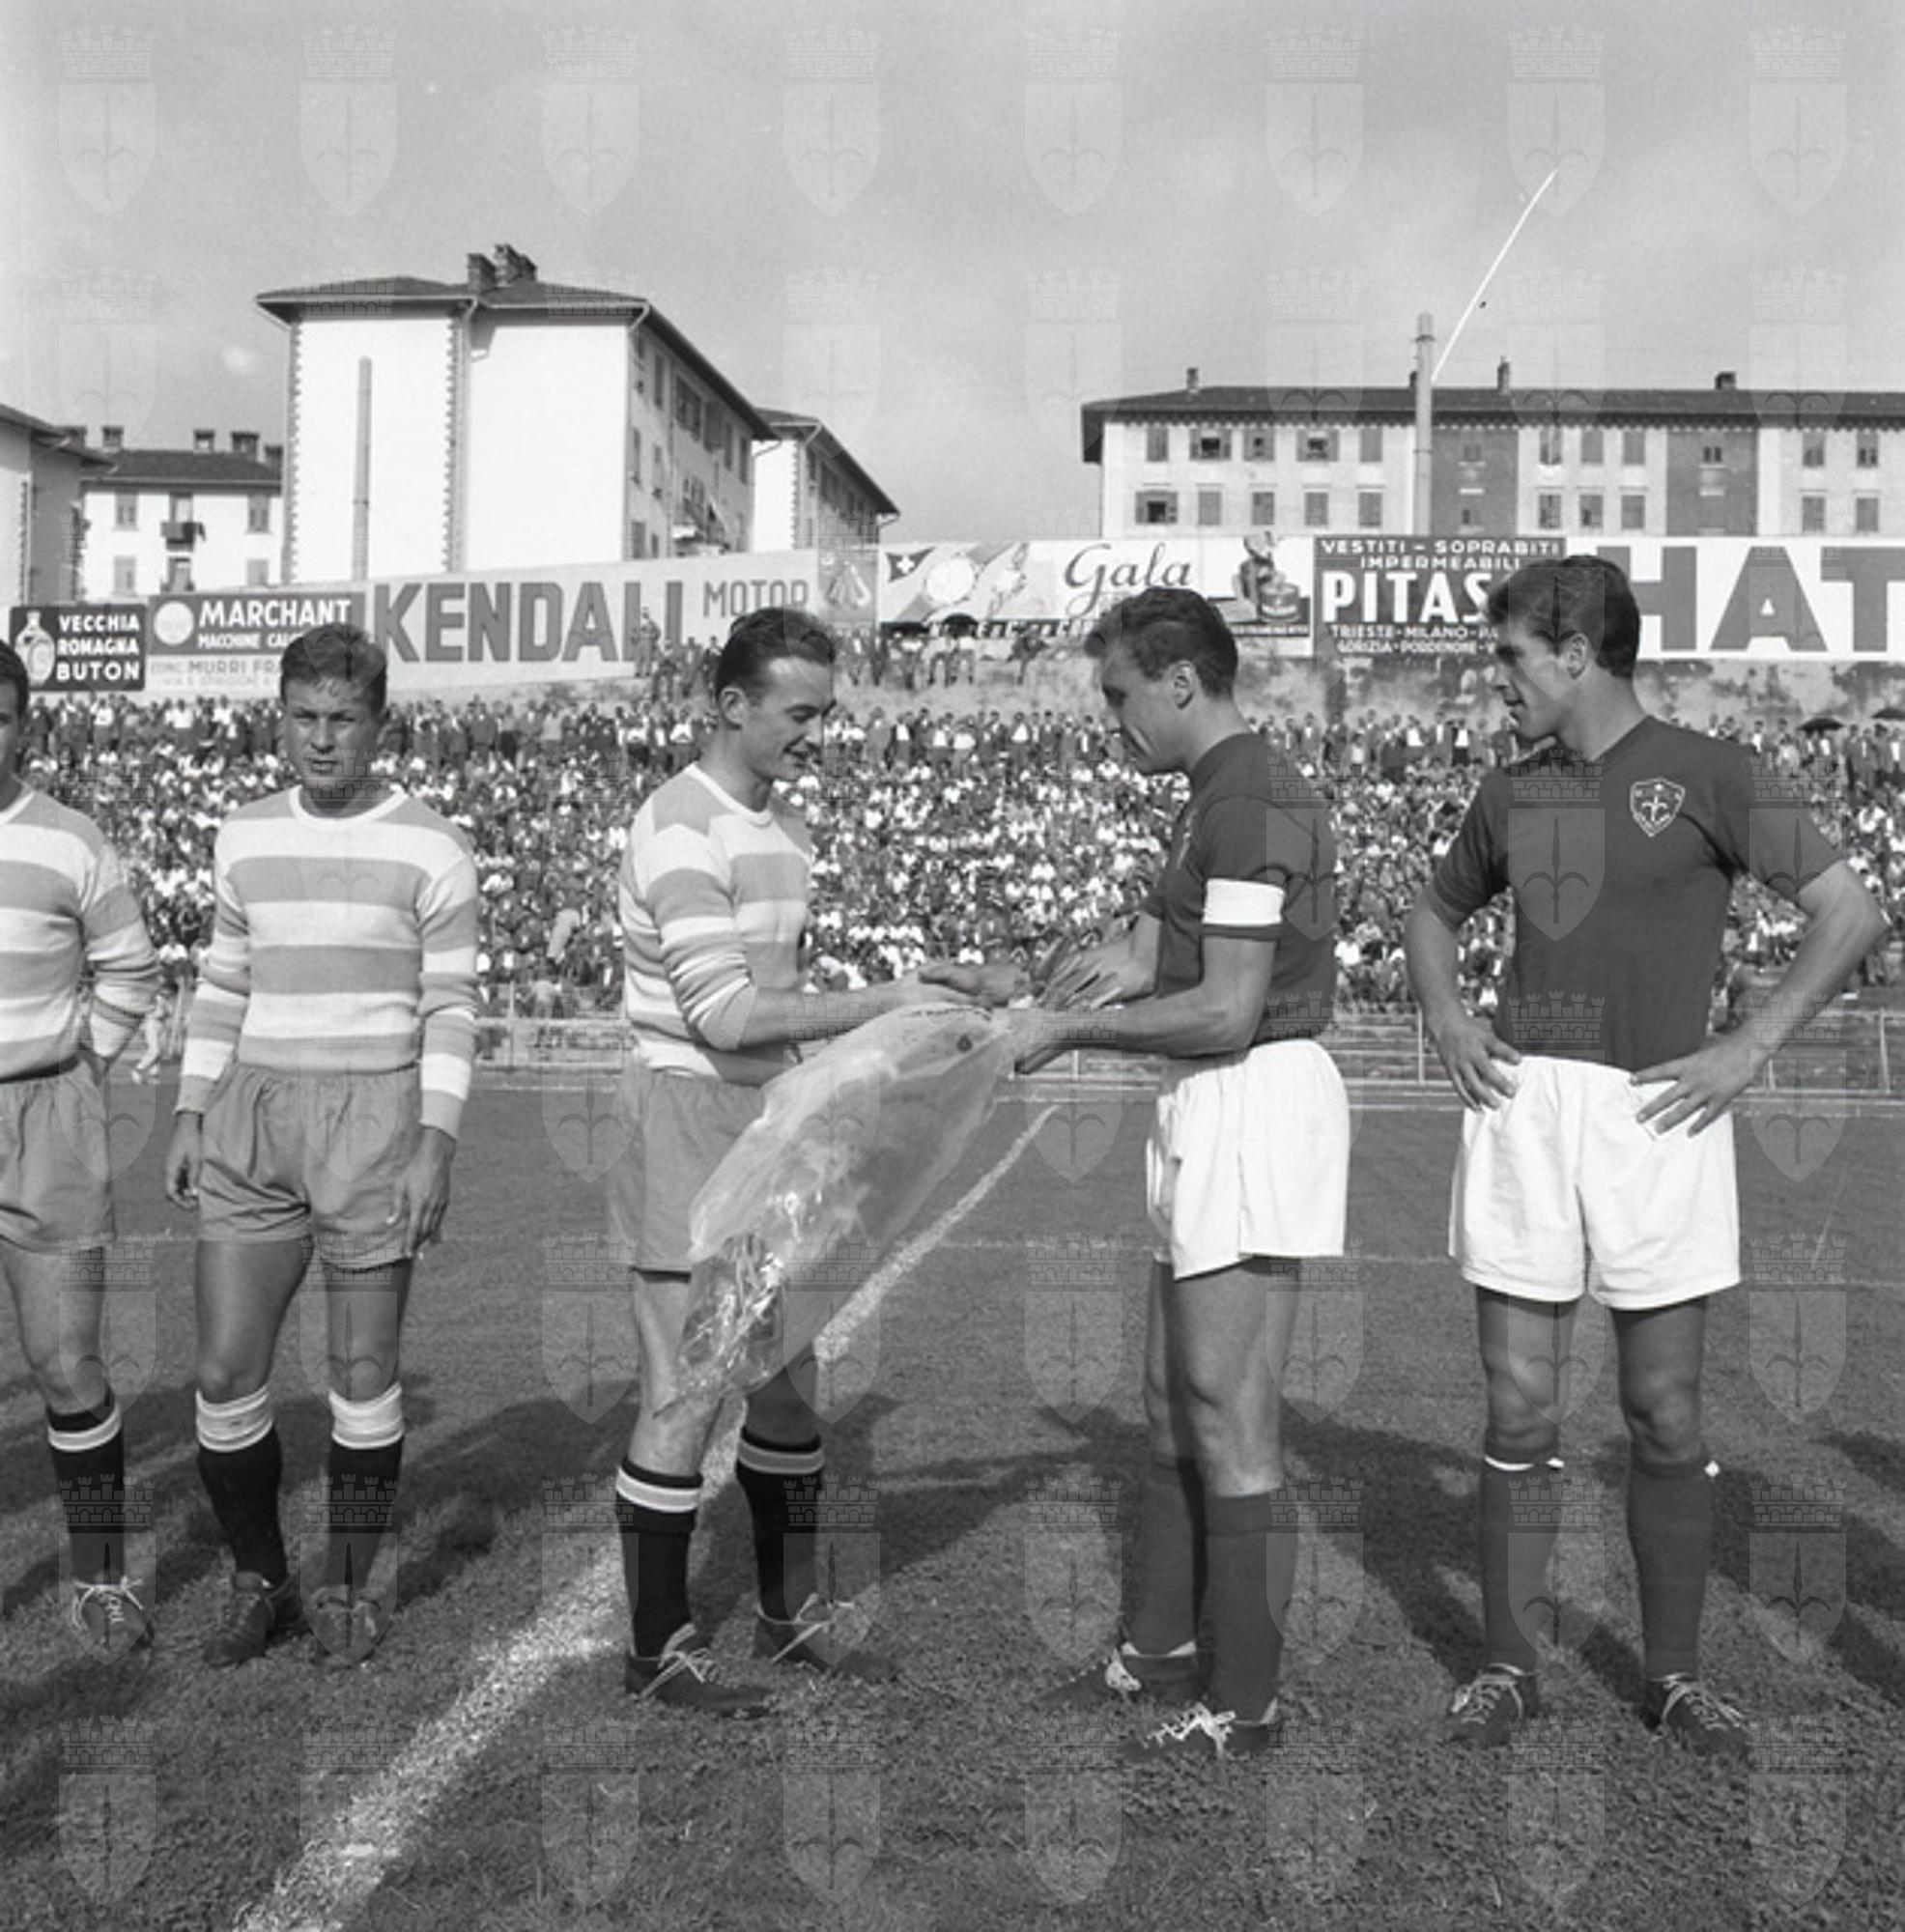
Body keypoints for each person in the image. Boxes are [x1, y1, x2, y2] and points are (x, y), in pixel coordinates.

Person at [1403, 555, 1886, 1756]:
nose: (1495, 676)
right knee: (1518, 1403)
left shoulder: (1710, 772)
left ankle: (1672, 1675)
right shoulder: (1510, 789)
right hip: (1524, 1105)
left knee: (1663, 1411)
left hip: (1657, 1112)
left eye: (1510, 655)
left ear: (1576, 655)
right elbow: (1430, 911)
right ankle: (1507, 1667)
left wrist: (1747, 1045)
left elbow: (1850, 911)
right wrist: (1448, 1015)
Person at [607, 606, 990, 1714]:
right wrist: (886, 1002)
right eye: (800, 712)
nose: (820, 732)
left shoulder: (784, 830)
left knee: (785, 1389)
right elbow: (724, 1015)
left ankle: (787, 1616)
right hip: (685, 1115)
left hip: (769, 1120)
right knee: (684, 1390)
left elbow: (776, 1008)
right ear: (732, 705)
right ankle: (656, 1645)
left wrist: (911, 1016)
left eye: (826, 711)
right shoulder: (679, 824)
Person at [1011, 586, 1351, 1763]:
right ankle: (1159, 1647)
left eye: (1118, 694)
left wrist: (1064, 1033)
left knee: (1229, 1408)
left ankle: (1245, 1704)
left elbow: (1224, 1007)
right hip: (1211, 1097)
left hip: (1250, 1089)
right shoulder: (1212, 794)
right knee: (1171, 1396)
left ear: (1179, 681)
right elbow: (1141, 958)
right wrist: (1011, 990)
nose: (1111, 719)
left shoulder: (1248, 798)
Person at [165, 626, 480, 1669]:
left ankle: (347, 1586)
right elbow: (224, 982)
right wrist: (190, 1107)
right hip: (252, 1114)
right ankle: (263, 1579)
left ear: (380, 723)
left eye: (343, 718)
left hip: (374, 1119)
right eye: (303, 717)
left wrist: (435, 1142)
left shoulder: (432, 846)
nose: (321, 738)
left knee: (361, 1367)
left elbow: (450, 1006)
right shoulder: (244, 834)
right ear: (281, 717)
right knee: (223, 1371)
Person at [0, 642, 161, 1657]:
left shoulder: (70, 840)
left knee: (67, 1364)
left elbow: (130, 968)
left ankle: (101, 1579)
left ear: (24, 725)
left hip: (46, 1119)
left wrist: (81, 1067)